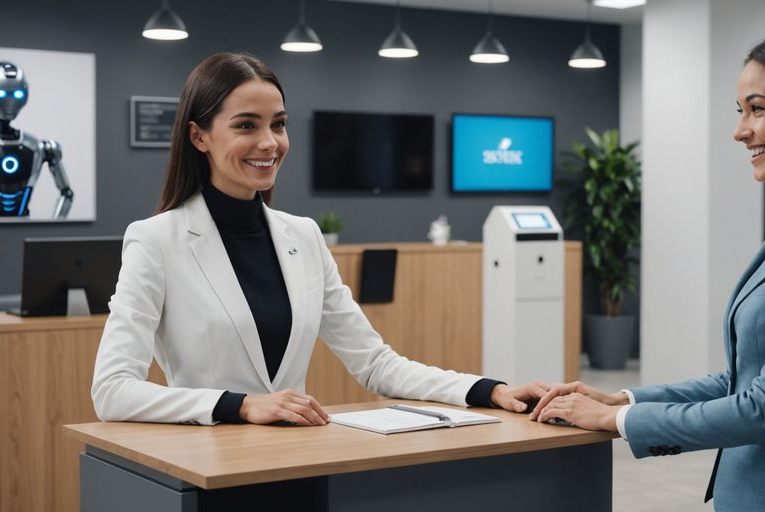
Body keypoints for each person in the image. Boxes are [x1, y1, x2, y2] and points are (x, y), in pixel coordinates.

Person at [530, 23, 765, 511]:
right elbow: (741, 379)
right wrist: (622, 400)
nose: (740, 130)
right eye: (740, 112)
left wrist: (614, 424)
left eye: (757, 109)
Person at [91, 52, 548, 431]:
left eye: (279, 124)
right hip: (209, 467)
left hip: (300, 462)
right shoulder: (155, 240)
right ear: (199, 136)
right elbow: (112, 390)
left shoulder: (303, 236)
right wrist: (242, 405)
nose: (270, 143)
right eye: (247, 126)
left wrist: (491, 390)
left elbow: (376, 365)